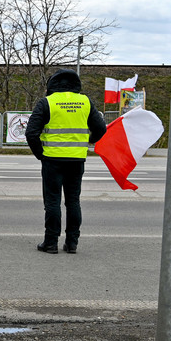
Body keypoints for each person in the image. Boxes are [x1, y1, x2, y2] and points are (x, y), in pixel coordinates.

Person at [25, 69, 106, 254]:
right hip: (77, 159)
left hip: (52, 159)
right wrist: (89, 141)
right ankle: (72, 243)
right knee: (73, 201)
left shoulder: (47, 102)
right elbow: (101, 128)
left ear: (52, 85)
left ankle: (51, 243)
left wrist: (41, 154)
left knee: (52, 202)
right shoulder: (85, 102)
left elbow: (31, 133)